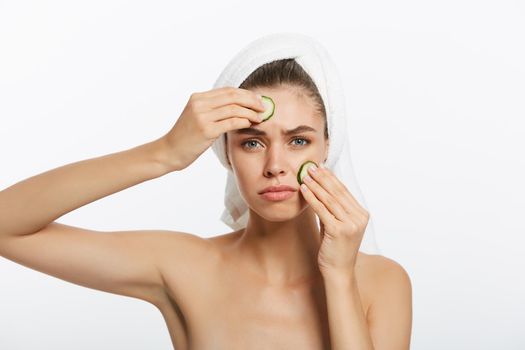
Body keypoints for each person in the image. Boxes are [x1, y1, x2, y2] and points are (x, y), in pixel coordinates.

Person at [0, 58, 412, 349]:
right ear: (227, 154)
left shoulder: (382, 283)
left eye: (298, 141)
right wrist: (164, 154)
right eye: (252, 142)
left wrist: (338, 277)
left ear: (327, 148)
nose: (275, 166)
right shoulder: (184, 266)